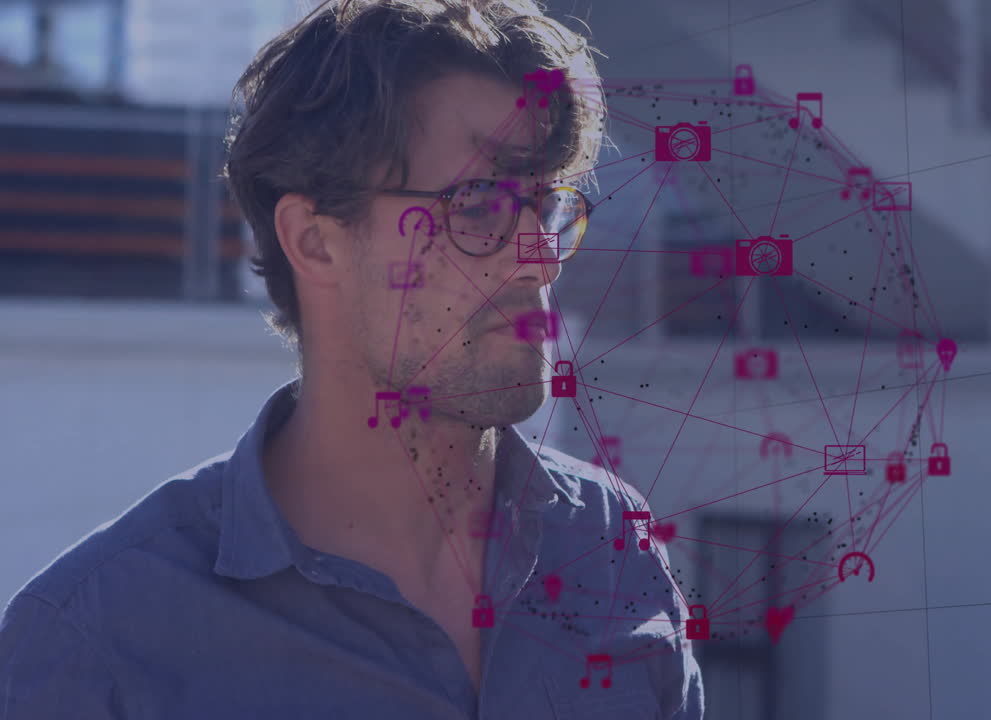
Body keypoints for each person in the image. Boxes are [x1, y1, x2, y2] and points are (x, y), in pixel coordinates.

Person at [0, 1, 704, 717]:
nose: (539, 261)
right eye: (480, 204)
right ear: (316, 241)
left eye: (546, 204)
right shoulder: (97, 644)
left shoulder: (611, 547)